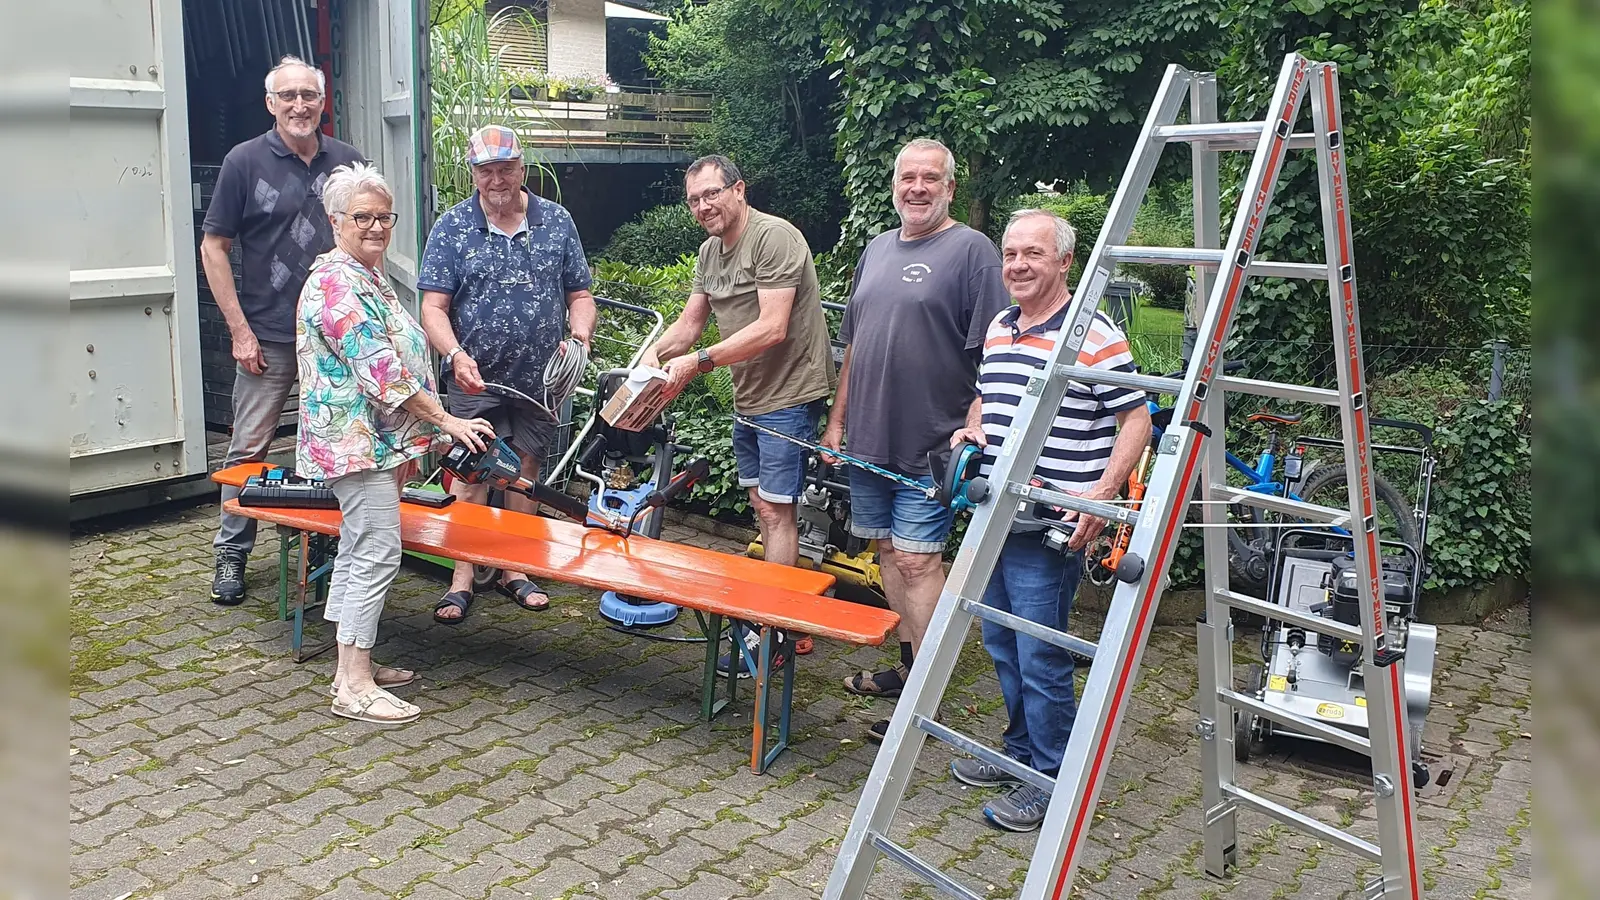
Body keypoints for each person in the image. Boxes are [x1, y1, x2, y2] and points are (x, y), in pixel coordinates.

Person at [946, 208, 1152, 831]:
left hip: (1052, 525)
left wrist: (1102, 494)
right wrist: (974, 426)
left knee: (1040, 652)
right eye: (1011, 254)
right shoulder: (1002, 326)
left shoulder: (1094, 335)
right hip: (996, 514)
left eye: (1033, 253)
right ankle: (1019, 753)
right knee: (1000, 641)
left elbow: (1136, 419)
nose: (1018, 265)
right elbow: (990, 393)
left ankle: (1051, 780)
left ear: (1065, 261)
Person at [821, 138, 1012, 741]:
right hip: (868, 439)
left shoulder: (972, 252)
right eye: (909, 177)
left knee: (918, 559)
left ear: (949, 188)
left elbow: (997, 349)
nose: (918, 187)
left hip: (932, 444)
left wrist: (978, 423)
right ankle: (908, 672)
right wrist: (835, 422)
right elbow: (855, 344)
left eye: (932, 178)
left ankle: (924, 704)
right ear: (896, 183)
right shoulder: (877, 249)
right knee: (885, 555)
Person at [296, 163, 497, 724]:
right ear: (336, 221)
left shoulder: (366, 273)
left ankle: (349, 667)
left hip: (372, 444)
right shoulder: (339, 282)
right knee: (378, 551)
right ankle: (355, 686)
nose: (377, 226)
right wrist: (447, 423)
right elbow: (382, 372)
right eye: (363, 217)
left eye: (385, 217)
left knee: (361, 548)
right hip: (354, 445)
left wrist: (411, 443)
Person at [642, 154, 835, 671]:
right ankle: (780, 614)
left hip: (790, 392)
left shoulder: (775, 238)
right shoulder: (709, 253)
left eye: (712, 194)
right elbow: (688, 326)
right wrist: (644, 363)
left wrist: (698, 362)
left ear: (739, 190)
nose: (703, 206)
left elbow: (773, 327)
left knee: (777, 511)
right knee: (761, 505)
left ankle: (776, 634)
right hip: (749, 395)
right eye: (694, 199)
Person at [417, 125, 596, 623]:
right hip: (474, 377)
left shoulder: (557, 221)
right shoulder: (452, 227)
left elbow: (580, 295)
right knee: (469, 474)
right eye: (486, 170)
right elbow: (433, 307)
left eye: (506, 168)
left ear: (522, 167)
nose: (497, 179)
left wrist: (579, 339)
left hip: (541, 380)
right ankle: (462, 577)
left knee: (525, 473)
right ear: (473, 175)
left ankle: (517, 568)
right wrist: (454, 353)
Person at [206, 56, 365, 607]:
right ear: (271, 103)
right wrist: (238, 330)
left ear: (324, 102)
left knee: (333, 446)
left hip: (335, 336)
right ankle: (232, 552)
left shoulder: (348, 163)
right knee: (249, 447)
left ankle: (322, 550)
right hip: (268, 333)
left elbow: (368, 241)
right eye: (288, 96)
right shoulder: (243, 162)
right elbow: (214, 248)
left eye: (310, 95)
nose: (300, 105)